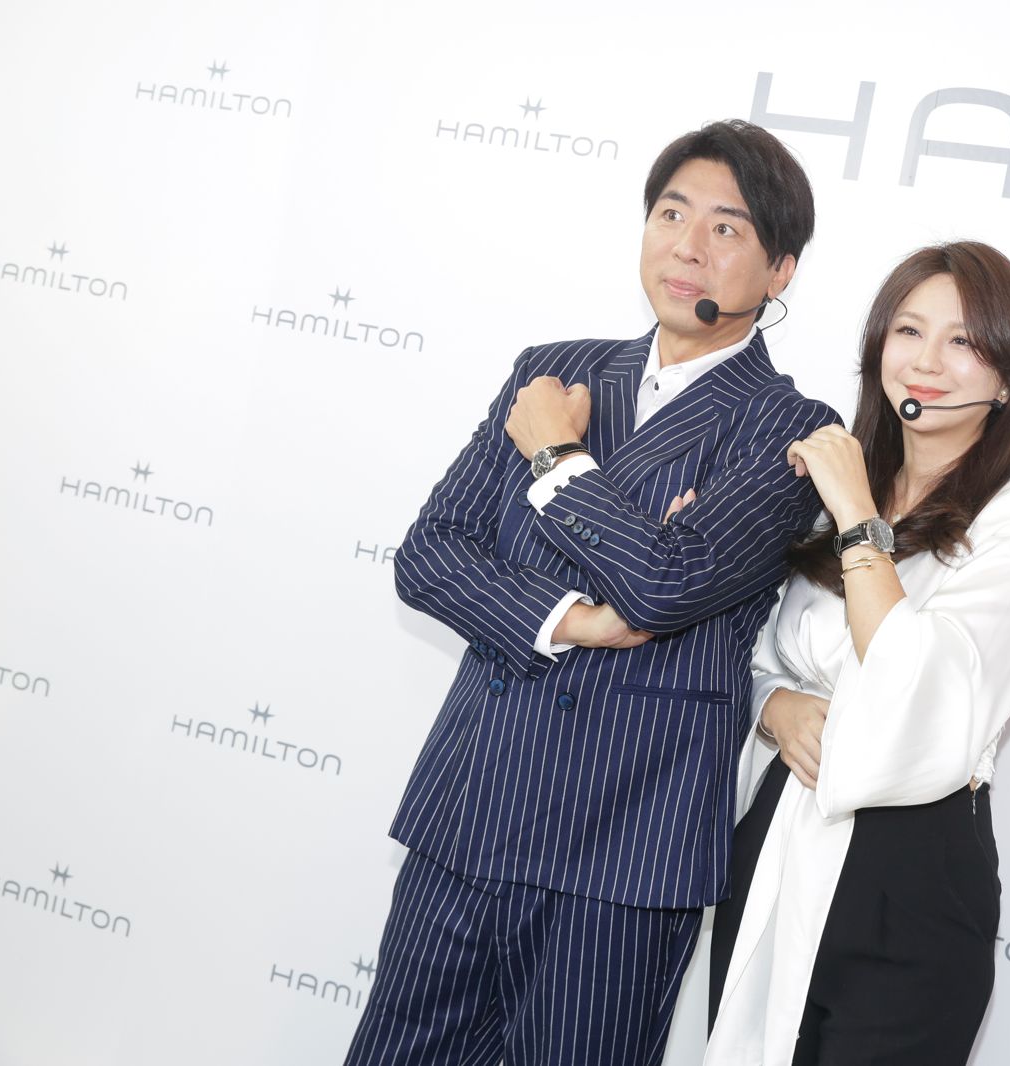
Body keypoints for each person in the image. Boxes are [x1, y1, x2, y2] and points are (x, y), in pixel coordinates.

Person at [344, 120, 839, 1066]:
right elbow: (430, 556)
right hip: (471, 805)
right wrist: (570, 618)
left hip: (625, 850)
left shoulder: (789, 429)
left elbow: (665, 583)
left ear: (781, 270)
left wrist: (556, 456)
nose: (688, 248)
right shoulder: (555, 369)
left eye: (727, 229)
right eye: (671, 214)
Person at [704, 241, 1010, 1065]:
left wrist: (856, 517)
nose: (927, 361)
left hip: (910, 869)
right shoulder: (828, 491)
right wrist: (773, 706)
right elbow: (750, 650)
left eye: (963, 340)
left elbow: (916, 686)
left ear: (1007, 377)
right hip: (776, 836)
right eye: (909, 331)